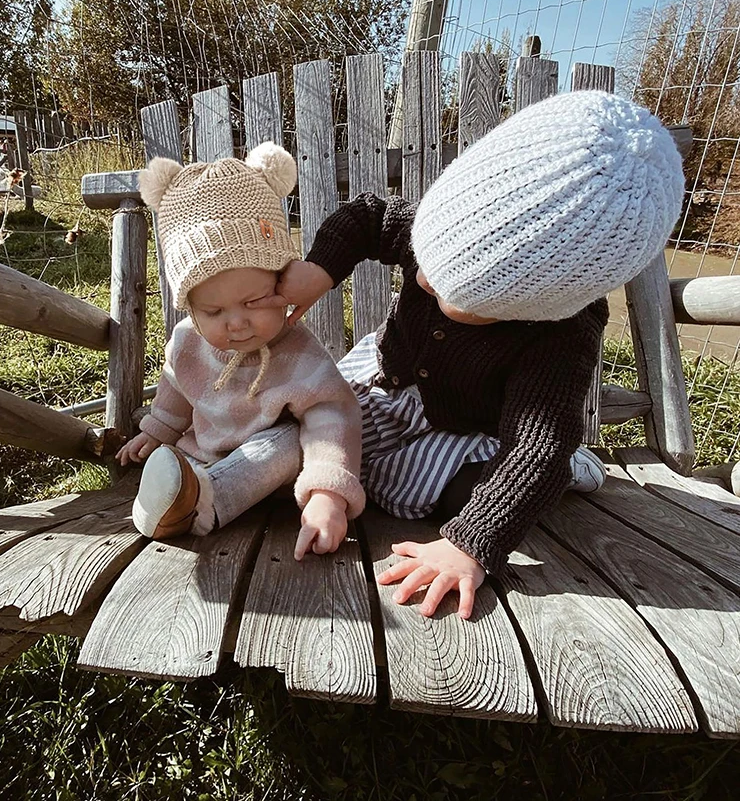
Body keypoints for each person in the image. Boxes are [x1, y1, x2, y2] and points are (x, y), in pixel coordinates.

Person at [252, 91, 685, 618]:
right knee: (315, 435)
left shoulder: (562, 334)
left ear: (537, 308)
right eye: (427, 252)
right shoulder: (458, 225)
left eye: (455, 294)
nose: (423, 276)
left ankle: (569, 472)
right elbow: (364, 218)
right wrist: (318, 272)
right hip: (386, 377)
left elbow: (538, 440)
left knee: (479, 490)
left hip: (468, 427)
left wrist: (468, 546)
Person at [116, 142, 366, 561]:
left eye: (253, 302)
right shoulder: (186, 341)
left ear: (284, 285)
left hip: (275, 480)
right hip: (201, 459)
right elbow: (176, 389)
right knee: (173, 461)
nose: (236, 323)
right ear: (190, 310)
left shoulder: (299, 353)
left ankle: (195, 504)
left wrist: (328, 494)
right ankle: (176, 497)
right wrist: (157, 431)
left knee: (288, 440)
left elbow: (332, 418)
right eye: (212, 311)